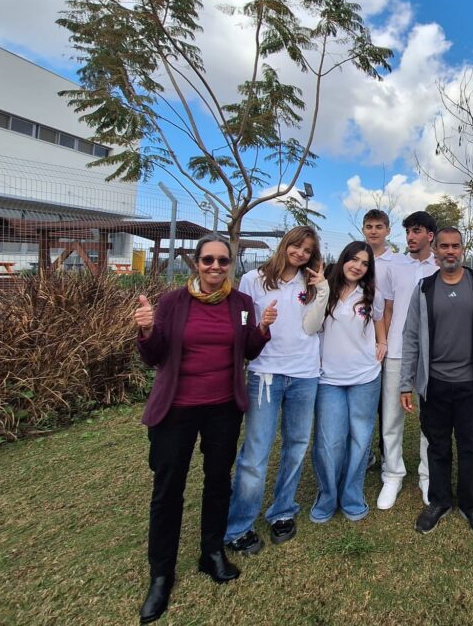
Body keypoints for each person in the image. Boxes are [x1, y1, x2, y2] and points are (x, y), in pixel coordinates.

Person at [133, 235, 275, 624]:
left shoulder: (240, 304)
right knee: (168, 490)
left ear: (231, 264)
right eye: (208, 260)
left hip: (223, 409)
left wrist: (262, 329)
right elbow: (154, 355)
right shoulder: (172, 303)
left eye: (223, 261)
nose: (215, 267)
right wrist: (146, 331)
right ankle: (161, 574)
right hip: (176, 409)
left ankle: (211, 553)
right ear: (196, 263)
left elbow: (248, 350)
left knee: (217, 483)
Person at [224, 227, 328, 557]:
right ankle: (239, 525)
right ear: (285, 244)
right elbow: (243, 328)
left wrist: (321, 289)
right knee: (256, 452)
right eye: (297, 246)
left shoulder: (311, 283)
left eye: (308, 250)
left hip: (305, 374)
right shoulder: (253, 280)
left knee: (296, 446)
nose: (300, 253)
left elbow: (313, 326)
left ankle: (283, 510)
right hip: (265, 373)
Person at [400, 227, 473, 537]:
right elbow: (411, 337)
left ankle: (471, 503)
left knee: (471, 445)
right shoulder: (424, 288)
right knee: (437, 446)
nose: (450, 251)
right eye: (444, 246)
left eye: (455, 246)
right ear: (435, 250)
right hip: (434, 383)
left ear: (463, 249)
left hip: (470, 384)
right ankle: (439, 501)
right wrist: (406, 383)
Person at [307, 241, 388, 522]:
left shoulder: (371, 294)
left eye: (364, 263)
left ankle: (352, 495)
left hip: (365, 376)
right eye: (353, 259)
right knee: (329, 441)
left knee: (360, 437)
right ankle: (327, 496)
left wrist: (382, 341)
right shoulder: (323, 289)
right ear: (343, 260)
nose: (357, 266)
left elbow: (379, 320)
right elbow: (310, 326)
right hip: (328, 378)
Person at [377, 211, 438, 509]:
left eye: (416, 231)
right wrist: (385, 342)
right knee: (391, 417)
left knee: (430, 418)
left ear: (430, 235)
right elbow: (387, 309)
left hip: (433, 354)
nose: (411, 237)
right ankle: (392, 474)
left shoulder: (440, 266)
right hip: (397, 351)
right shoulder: (395, 266)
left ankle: (427, 476)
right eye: (408, 232)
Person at [362, 209, 395, 467]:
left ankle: (386, 454)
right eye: (369, 226)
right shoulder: (355, 258)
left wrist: (384, 338)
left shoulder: (396, 262)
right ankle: (363, 454)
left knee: (385, 402)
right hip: (356, 340)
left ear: (387, 230)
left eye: (378, 226)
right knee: (363, 403)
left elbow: (391, 307)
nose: (373, 231)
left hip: (384, 339)